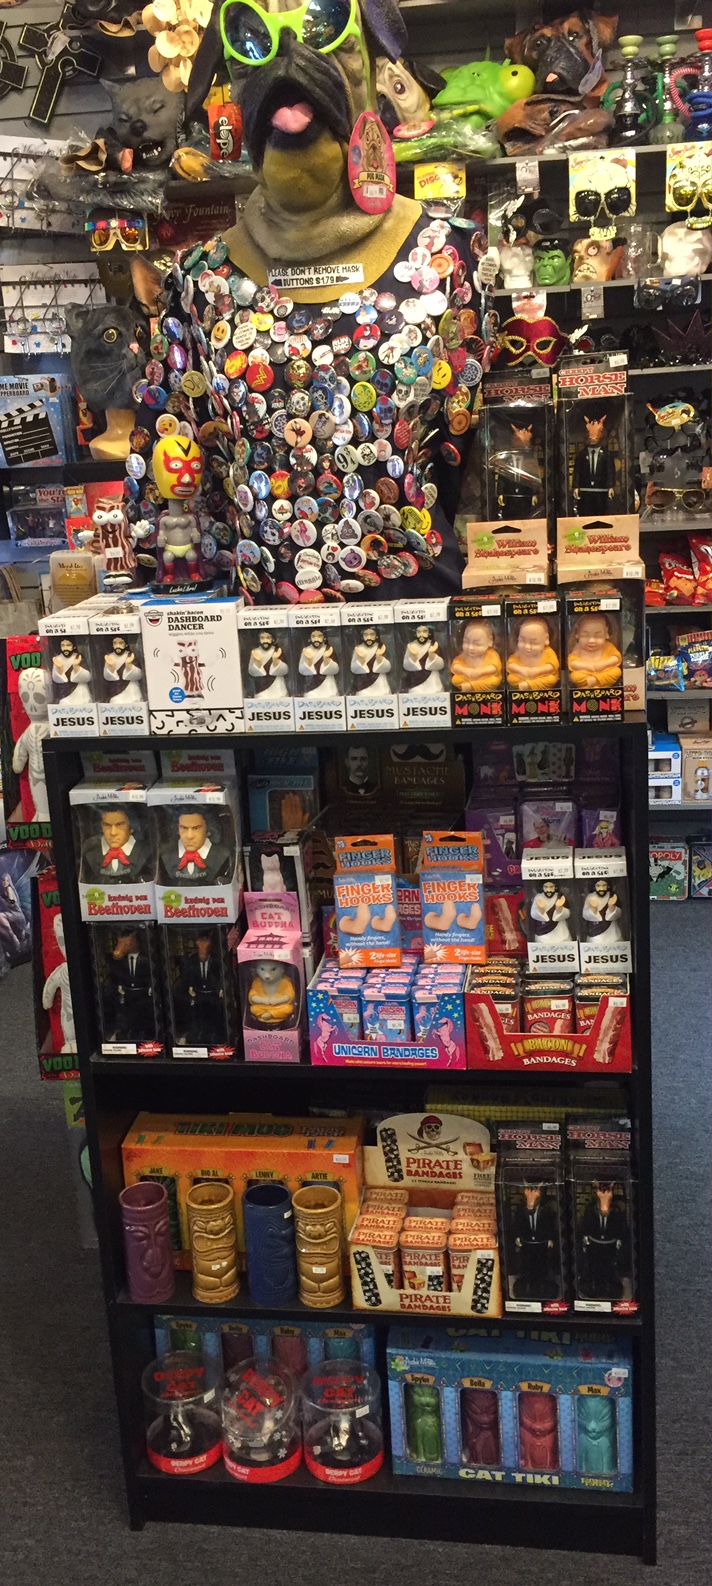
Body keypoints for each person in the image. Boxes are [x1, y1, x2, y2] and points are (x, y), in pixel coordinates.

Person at [509, 1181, 559, 1300]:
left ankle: (542, 1286)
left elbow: (550, 1225)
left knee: (542, 1266)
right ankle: (527, 1285)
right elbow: (517, 1223)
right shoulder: (521, 1209)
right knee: (527, 1265)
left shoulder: (545, 1210)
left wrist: (550, 1238)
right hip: (526, 1243)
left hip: (541, 1244)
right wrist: (518, 1236)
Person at [176, 931, 225, 1047]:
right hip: (197, 993)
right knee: (198, 1015)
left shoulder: (217, 961)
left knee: (214, 1015)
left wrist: (220, 988)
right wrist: (190, 987)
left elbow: (220, 975)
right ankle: (198, 1035)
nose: (202, 951)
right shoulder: (192, 961)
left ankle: (214, 1036)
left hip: (213, 994)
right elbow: (188, 975)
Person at [105, 929, 154, 1042]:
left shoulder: (146, 959)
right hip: (127, 995)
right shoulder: (120, 962)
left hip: (143, 995)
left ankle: (143, 1032)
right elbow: (116, 977)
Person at [160, 809, 232, 885]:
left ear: (208, 830)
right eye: (184, 828)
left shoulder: (223, 856)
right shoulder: (165, 855)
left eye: (196, 828)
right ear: (177, 829)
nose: (189, 836)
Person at [81, 807, 151, 883]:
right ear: (100, 827)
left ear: (131, 827)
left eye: (119, 825)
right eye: (107, 825)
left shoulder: (146, 854)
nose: (113, 833)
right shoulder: (90, 855)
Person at [572, 413, 617, 515]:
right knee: (585, 511)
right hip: (585, 490)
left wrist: (611, 486)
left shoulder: (607, 454)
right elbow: (577, 471)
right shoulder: (581, 455)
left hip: (601, 490)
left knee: (601, 511)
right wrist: (576, 486)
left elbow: (610, 470)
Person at [450, 620, 502, 692]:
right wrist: (465, 671)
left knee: (493, 680)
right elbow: (455, 666)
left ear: (490, 641)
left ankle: (470, 686)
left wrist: (480, 672)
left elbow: (494, 668)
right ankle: (470, 686)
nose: (470, 647)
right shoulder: (464, 654)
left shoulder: (491, 654)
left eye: (477, 644)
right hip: (468, 677)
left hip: (483, 678)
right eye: (466, 642)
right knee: (456, 679)